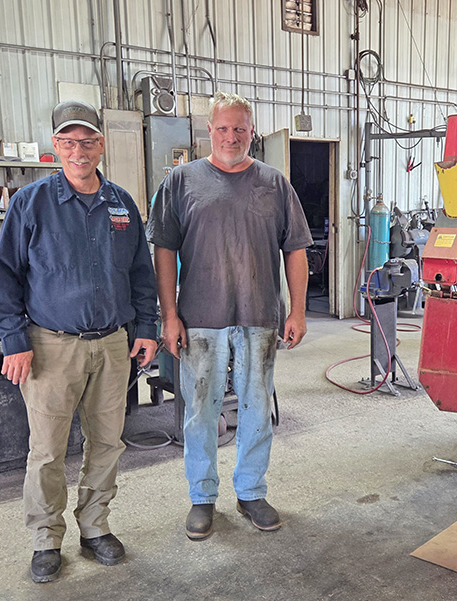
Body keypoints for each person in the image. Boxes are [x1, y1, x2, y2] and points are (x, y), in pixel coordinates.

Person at [0, 100, 158, 583]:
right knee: (47, 450)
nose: (78, 151)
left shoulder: (122, 204)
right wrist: (13, 338)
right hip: (50, 346)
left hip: (112, 344)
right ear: (55, 146)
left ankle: (95, 526)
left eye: (87, 141)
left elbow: (141, 273)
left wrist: (147, 327)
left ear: (101, 145)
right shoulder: (31, 203)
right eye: (68, 142)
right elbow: (7, 275)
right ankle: (46, 537)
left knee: (107, 442)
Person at [147, 91, 312, 540]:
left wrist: (298, 311)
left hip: (260, 316)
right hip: (200, 316)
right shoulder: (181, 181)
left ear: (252, 132)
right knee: (201, 411)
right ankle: (202, 496)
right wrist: (169, 316)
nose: (231, 136)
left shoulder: (275, 184)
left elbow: (296, 249)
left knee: (257, 407)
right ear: (209, 131)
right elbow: (164, 251)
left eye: (240, 128)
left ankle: (251, 491)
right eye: (223, 128)